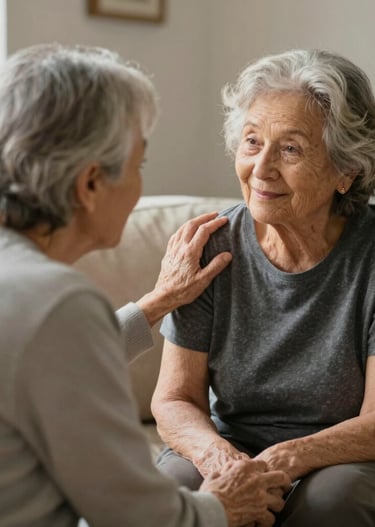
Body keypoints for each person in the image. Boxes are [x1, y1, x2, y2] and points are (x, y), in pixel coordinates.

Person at [0, 44, 290, 527]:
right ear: (90, 184)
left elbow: (44, 359)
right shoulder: (57, 302)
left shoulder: (30, 296)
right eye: (139, 164)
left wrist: (158, 302)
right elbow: (133, 514)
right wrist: (223, 507)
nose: (139, 185)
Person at [152, 48, 375, 527]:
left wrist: (282, 460)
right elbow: (173, 401)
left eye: (290, 148)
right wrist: (224, 462)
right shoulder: (210, 247)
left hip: (338, 457)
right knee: (171, 493)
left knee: (332, 500)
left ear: (346, 171)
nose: (262, 167)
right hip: (226, 445)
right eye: (252, 142)